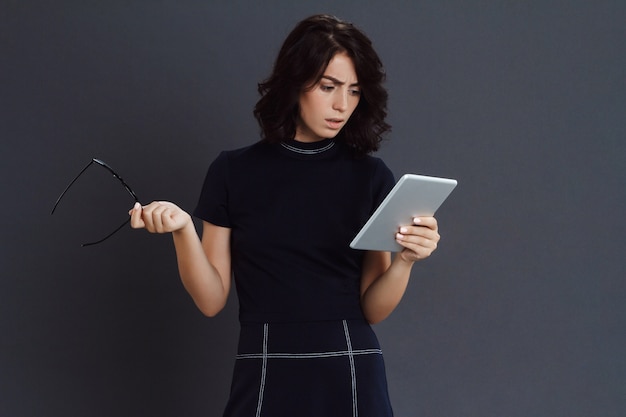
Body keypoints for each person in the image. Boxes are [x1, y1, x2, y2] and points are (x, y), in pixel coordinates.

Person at [130, 14, 440, 417]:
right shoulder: (232, 171)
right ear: (295, 82)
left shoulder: (371, 177)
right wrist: (184, 230)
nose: (341, 105)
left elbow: (373, 309)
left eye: (354, 91)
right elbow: (210, 300)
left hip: (351, 365)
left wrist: (406, 261)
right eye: (328, 87)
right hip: (263, 363)